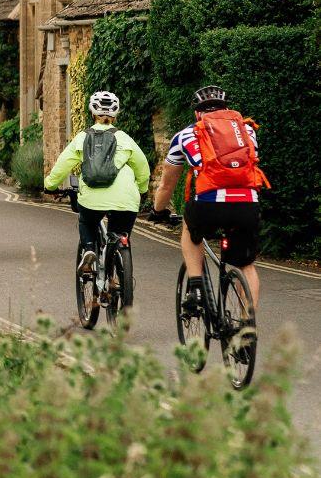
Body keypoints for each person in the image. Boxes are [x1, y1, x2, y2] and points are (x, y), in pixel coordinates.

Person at [148, 85, 269, 312]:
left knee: (189, 227)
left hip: (209, 204)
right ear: (226, 109)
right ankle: (247, 325)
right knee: (247, 265)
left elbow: (166, 184)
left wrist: (158, 210)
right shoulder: (247, 131)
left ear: (197, 113)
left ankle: (195, 288)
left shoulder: (185, 135)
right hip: (247, 203)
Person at [43, 92, 151, 275]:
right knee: (120, 235)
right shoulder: (125, 139)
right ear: (115, 115)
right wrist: (142, 190)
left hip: (91, 198)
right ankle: (116, 276)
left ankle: (89, 249)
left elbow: (62, 165)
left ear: (92, 114)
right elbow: (143, 168)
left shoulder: (82, 138)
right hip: (125, 200)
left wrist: (50, 186)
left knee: (86, 220)